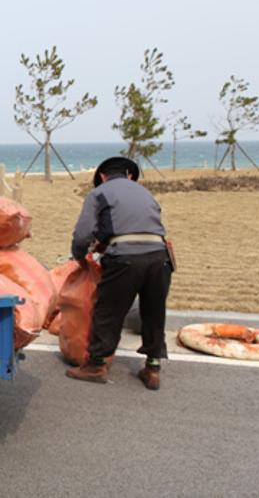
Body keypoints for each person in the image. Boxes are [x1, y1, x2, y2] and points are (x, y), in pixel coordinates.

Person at [66, 156, 174, 390]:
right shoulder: (145, 193)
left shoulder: (99, 193)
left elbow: (83, 234)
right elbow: (137, 225)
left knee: (108, 311)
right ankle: (153, 368)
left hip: (125, 259)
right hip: (160, 257)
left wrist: (79, 258)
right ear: (129, 174)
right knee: (154, 312)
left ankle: (96, 366)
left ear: (103, 176)